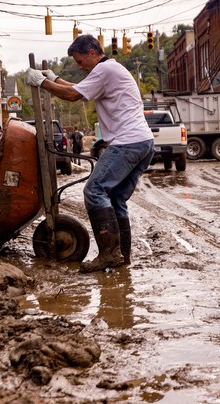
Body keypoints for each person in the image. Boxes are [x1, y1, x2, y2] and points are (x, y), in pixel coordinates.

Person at [25, 34, 155, 273]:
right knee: (115, 198)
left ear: (93, 53)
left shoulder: (105, 71)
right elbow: (77, 89)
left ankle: (109, 254)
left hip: (127, 142)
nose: (79, 65)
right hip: (142, 142)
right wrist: (55, 79)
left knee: (94, 190)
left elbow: (73, 96)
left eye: (80, 60)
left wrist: (41, 83)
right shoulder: (108, 70)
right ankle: (120, 256)